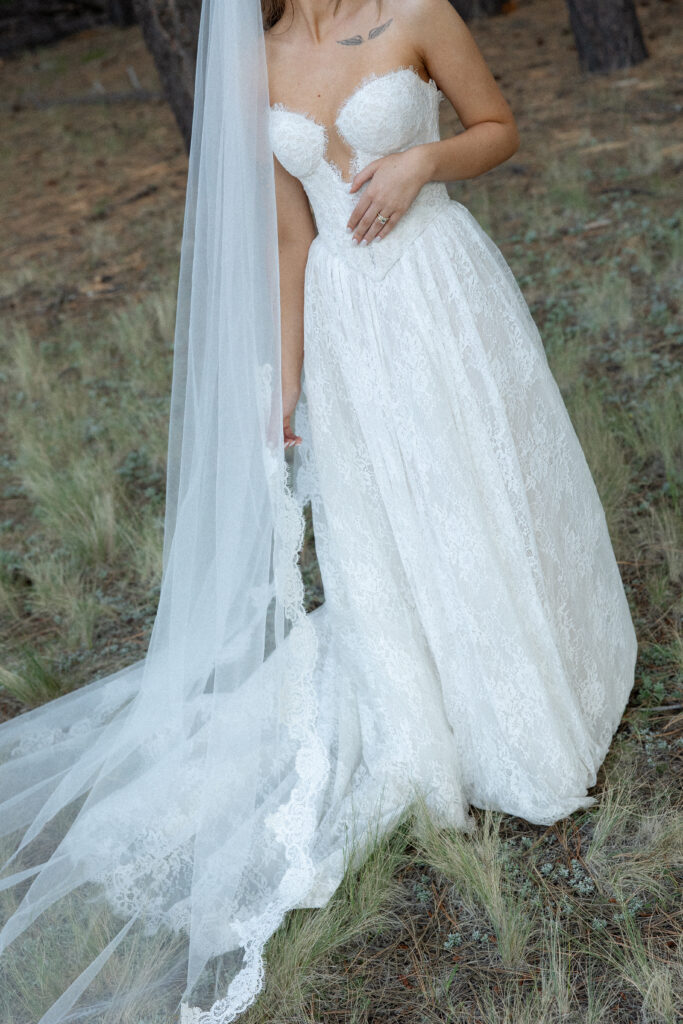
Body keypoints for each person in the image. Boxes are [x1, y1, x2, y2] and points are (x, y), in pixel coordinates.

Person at [0, 1, 637, 1022]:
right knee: (383, 524)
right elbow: (292, 241)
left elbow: (497, 127)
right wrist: (281, 390)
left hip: (437, 289)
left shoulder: (416, 11)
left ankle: (530, 675)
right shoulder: (253, 61)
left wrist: (421, 164)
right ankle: (434, 715)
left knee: (476, 491)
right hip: (344, 327)